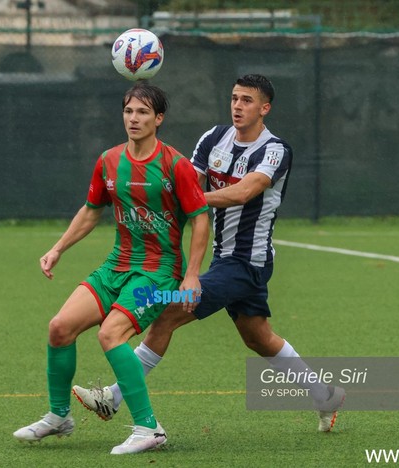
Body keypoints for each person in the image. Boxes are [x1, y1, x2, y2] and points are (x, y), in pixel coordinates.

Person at [72, 74, 345, 433]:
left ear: (265, 108)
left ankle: (114, 398)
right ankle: (324, 395)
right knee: (258, 336)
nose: (237, 106)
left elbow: (243, 192)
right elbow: (185, 180)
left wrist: (185, 202)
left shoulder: (275, 149)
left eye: (247, 100)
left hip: (247, 262)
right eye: (234, 98)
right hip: (223, 259)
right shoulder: (214, 138)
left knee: (168, 312)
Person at [13, 82, 210, 455]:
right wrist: (58, 249)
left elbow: (201, 220)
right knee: (59, 328)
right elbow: (91, 211)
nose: (133, 119)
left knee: (111, 334)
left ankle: (149, 428)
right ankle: (59, 417)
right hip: (116, 266)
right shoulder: (109, 161)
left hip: (159, 273)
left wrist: (192, 274)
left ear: (159, 118)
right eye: (128, 111)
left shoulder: (176, 165)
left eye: (142, 112)